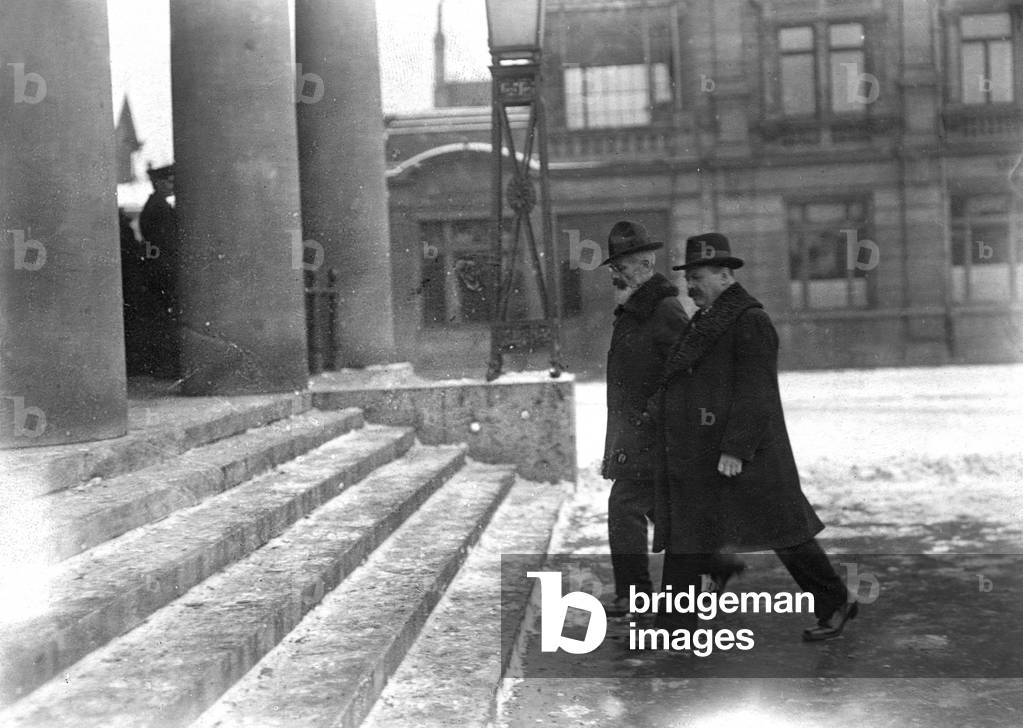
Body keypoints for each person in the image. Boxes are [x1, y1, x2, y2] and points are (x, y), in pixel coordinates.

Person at [650, 232, 858, 641]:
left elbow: (757, 391)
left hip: (750, 455)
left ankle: (835, 602)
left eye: (698, 277)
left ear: (726, 275)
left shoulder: (749, 321)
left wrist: (736, 448)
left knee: (787, 534)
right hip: (707, 449)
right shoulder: (709, 318)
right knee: (691, 534)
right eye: (687, 277)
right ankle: (674, 626)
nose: (689, 286)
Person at [600, 220, 688, 615]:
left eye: (623, 265)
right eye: (614, 266)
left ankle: (633, 593)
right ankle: (694, 577)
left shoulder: (663, 308)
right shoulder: (635, 309)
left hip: (653, 434)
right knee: (663, 514)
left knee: (626, 507)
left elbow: (685, 369)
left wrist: (650, 415)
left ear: (646, 264)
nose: (615, 273)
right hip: (638, 435)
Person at [138, 163, 180, 378]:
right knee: (166, 319)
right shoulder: (158, 209)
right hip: (163, 270)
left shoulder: (158, 205)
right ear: (158, 183)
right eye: (170, 181)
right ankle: (166, 367)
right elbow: (168, 243)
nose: (174, 185)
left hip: (160, 268)